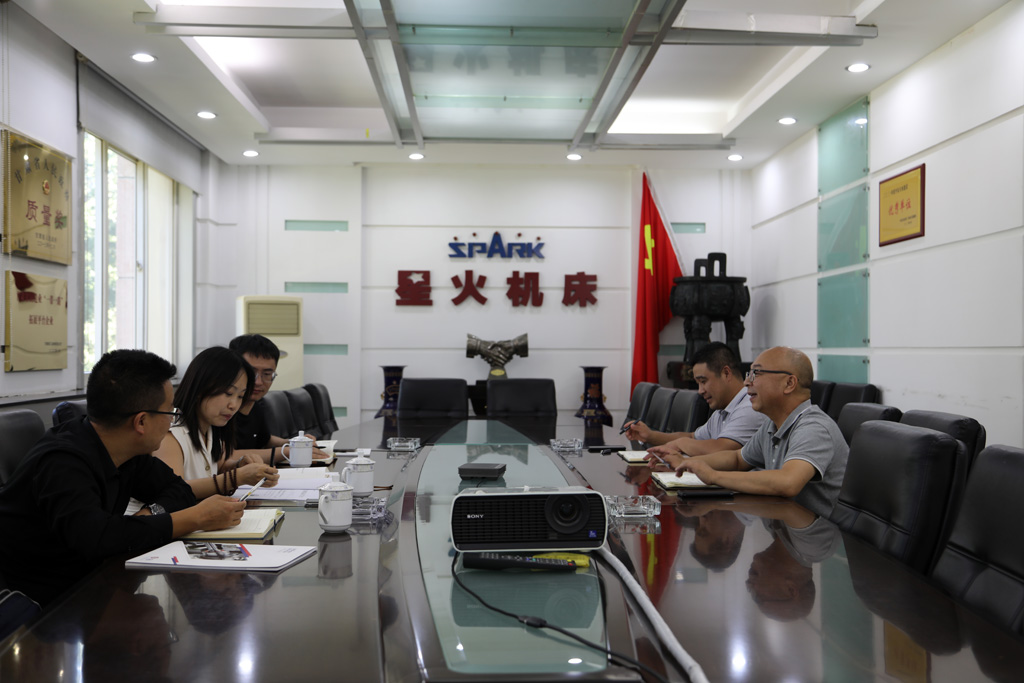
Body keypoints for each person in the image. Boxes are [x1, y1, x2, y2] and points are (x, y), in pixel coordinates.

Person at [0, 349, 245, 605]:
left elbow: (178, 489)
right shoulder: (62, 463)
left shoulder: (128, 449)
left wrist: (148, 516)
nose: (171, 422)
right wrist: (196, 518)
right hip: (42, 604)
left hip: (95, 583)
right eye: (170, 413)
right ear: (141, 422)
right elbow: (97, 539)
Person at [674, 346, 849, 518]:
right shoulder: (772, 425)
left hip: (817, 533)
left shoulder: (814, 427)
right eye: (748, 374)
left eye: (755, 374)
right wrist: (687, 463)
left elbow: (788, 482)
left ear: (789, 383)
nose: (746, 383)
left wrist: (713, 476)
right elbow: (737, 459)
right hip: (785, 525)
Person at [154, 347, 278, 499]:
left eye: (240, 396)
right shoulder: (170, 434)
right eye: (228, 393)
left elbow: (217, 468)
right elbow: (173, 492)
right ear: (200, 387)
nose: (234, 405)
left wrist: (240, 465)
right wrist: (237, 477)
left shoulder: (211, 429)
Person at [625, 342, 767, 460]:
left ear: (726, 373)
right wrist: (650, 435)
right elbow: (693, 437)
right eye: (698, 383)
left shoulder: (749, 406)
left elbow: (723, 449)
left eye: (703, 381)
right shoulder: (722, 410)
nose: (700, 391)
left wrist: (680, 444)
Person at [227, 334, 327, 464]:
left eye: (267, 374)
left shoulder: (256, 406)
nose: (258, 382)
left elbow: (265, 440)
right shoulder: (225, 410)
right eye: (251, 373)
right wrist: (289, 451)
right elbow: (226, 457)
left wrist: (295, 443)